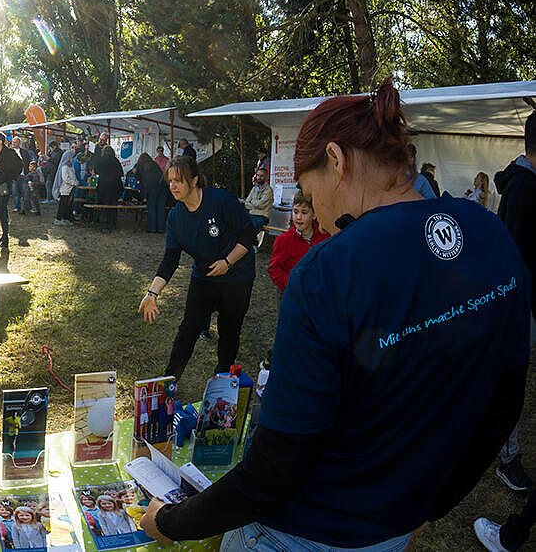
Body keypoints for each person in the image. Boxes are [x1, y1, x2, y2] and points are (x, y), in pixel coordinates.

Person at [141, 80, 532, 552]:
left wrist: (174, 522)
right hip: (392, 526)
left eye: (309, 189)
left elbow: (276, 467)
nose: (318, 217)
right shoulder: (491, 235)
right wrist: (431, 506)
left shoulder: (327, 271)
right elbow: (504, 406)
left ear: (336, 159)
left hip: (302, 530)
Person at [138, 156, 257, 383]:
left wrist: (228, 262)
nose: (172, 186)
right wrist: (152, 293)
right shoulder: (175, 217)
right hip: (204, 277)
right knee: (188, 329)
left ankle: (222, 384)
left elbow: (248, 236)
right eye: (170, 180)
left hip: (237, 277)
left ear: (194, 181)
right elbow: (170, 260)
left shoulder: (221, 201)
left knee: (229, 331)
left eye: (178, 181)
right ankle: (169, 383)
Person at [475, 112, 536, 551]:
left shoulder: (520, 185)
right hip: (521, 306)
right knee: (509, 379)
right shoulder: (526, 189)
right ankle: (507, 456)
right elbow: (516, 254)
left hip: (519, 303)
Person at [266, 189, 329, 292]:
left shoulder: (324, 237)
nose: (298, 217)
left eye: (304, 213)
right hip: (292, 294)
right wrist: (292, 285)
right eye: (295, 212)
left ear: (314, 215)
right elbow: (274, 269)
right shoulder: (283, 240)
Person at [0, 132, 23, 248]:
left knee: (1, 210)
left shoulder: (10, 153)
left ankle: (6, 238)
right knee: (2, 210)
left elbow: (20, 165)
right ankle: (4, 234)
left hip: (4, 185)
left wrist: (12, 178)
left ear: (0, 142)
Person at [91, 145, 124, 231]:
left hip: (103, 185)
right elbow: (121, 173)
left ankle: (104, 223)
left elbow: (96, 170)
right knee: (113, 204)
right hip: (115, 186)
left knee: (104, 205)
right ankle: (113, 223)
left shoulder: (101, 160)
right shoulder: (116, 161)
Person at [136, 153, 167, 233]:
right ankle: (160, 228)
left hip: (151, 188)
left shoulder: (140, 165)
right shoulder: (154, 164)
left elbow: (137, 176)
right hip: (162, 187)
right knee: (160, 208)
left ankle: (152, 228)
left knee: (152, 208)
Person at [243, 167, 274, 240]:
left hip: (262, 217)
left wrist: (252, 203)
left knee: (251, 227)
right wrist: (254, 204)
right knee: (240, 223)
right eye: (258, 175)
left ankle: (251, 245)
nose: (259, 177)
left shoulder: (268, 190)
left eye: (261, 176)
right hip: (251, 215)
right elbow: (246, 203)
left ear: (266, 177)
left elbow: (260, 205)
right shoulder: (254, 188)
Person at [54, 151, 82, 225]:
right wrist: (74, 183)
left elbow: (73, 176)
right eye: (72, 158)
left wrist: (76, 181)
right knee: (63, 205)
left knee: (68, 205)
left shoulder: (71, 166)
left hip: (70, 189)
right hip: (65, 190)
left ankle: (66, 218)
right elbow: (65, 178)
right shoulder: (64, 167)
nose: (73, 159)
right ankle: (59, 219)